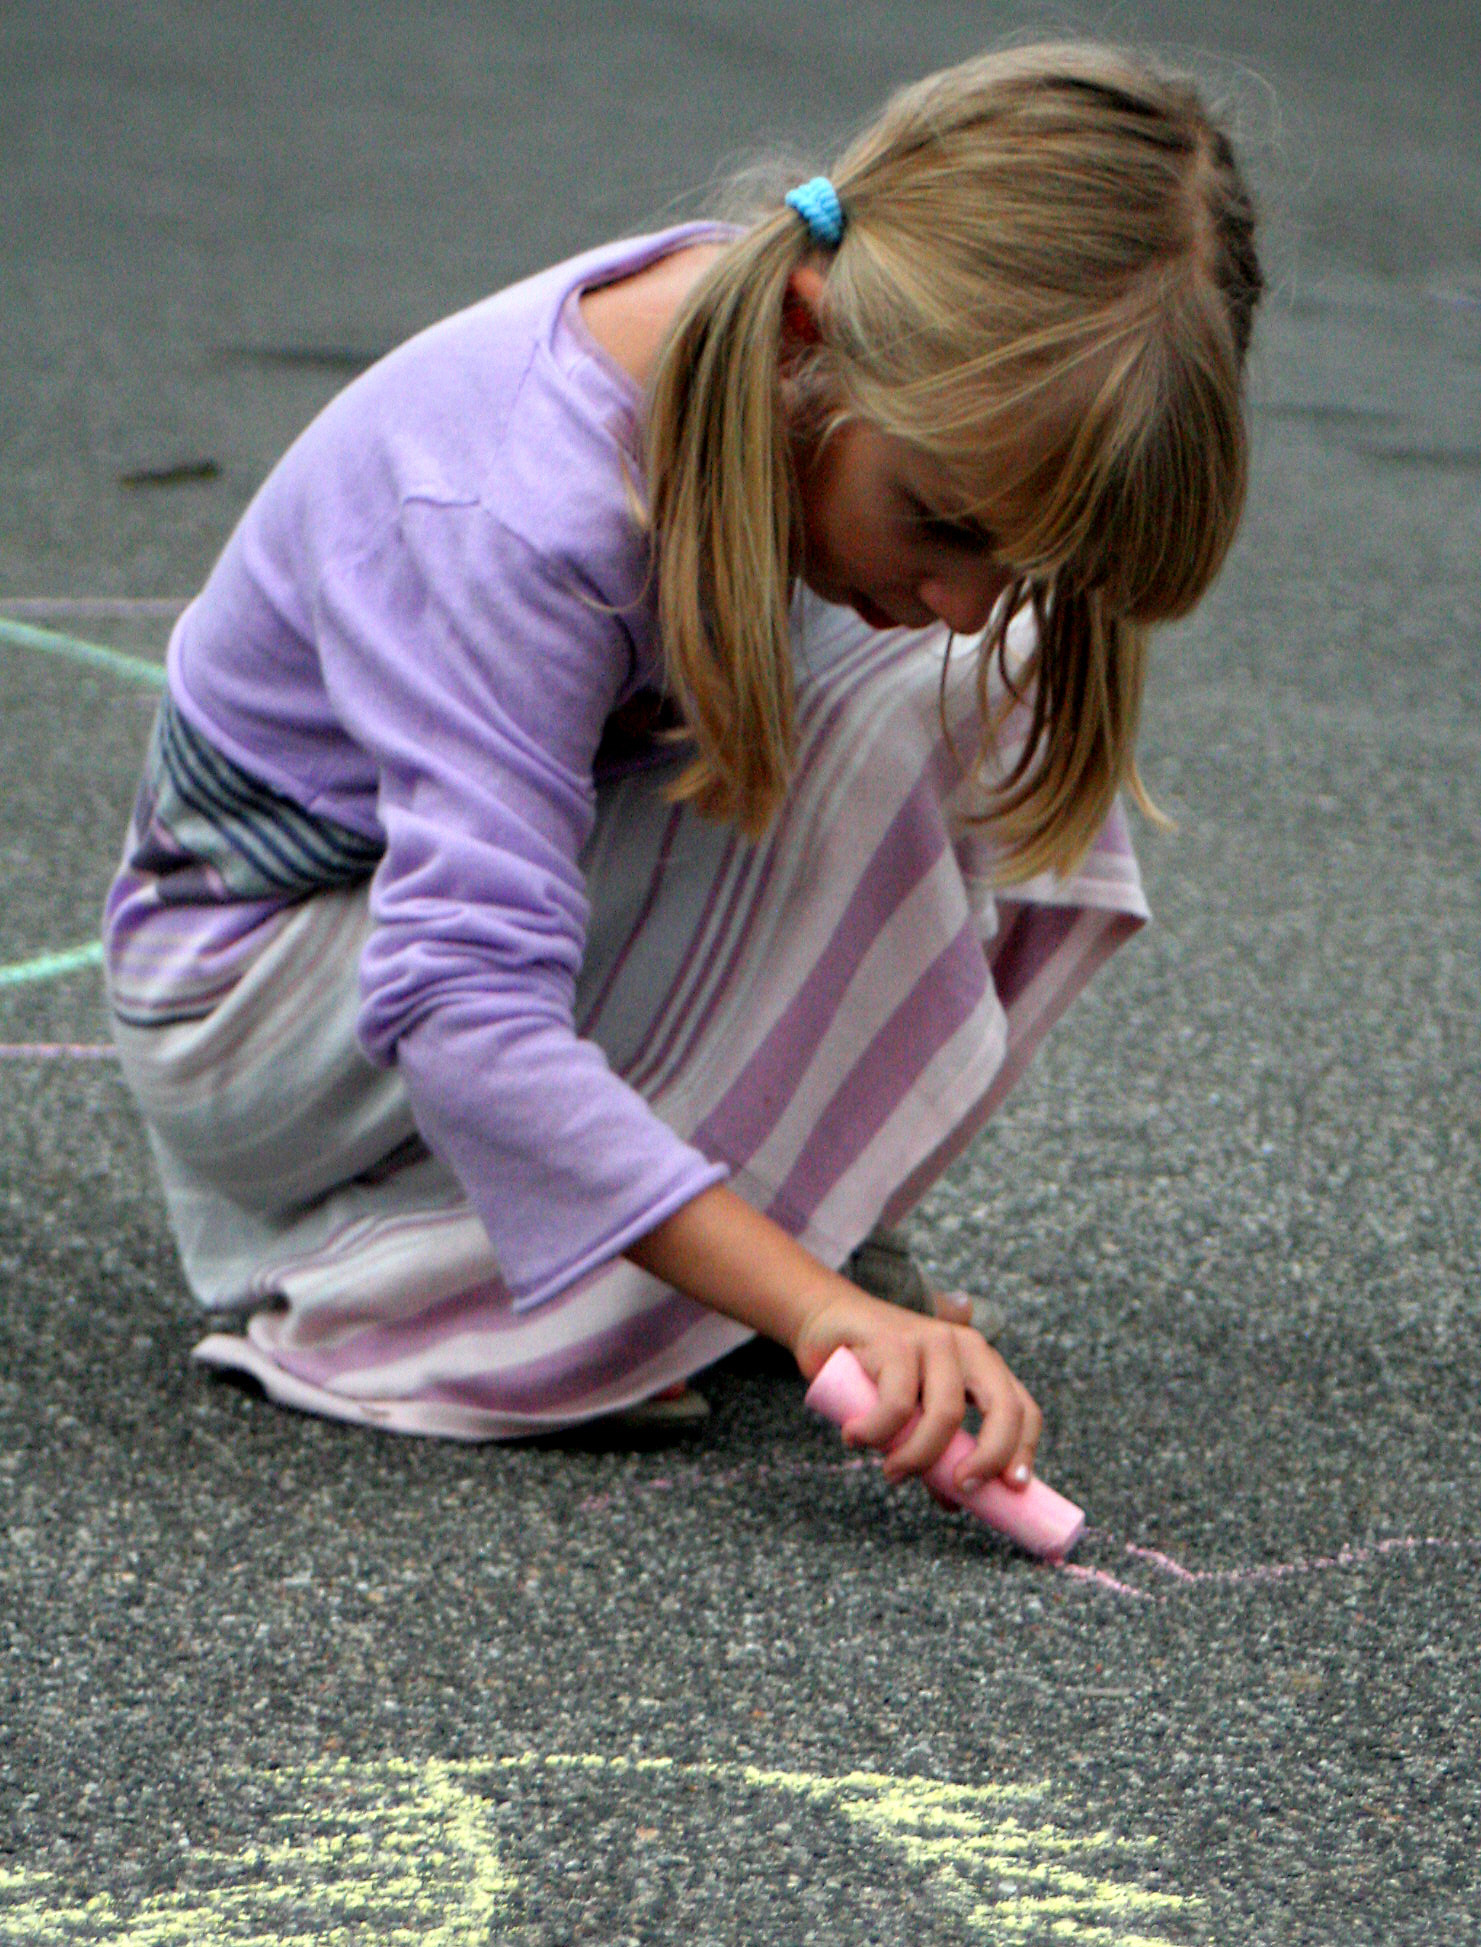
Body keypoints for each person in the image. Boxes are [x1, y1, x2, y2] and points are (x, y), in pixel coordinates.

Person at [103, 41, 1262, 1494]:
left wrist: (808, 1278)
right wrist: (813, 1308)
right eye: (943, 522)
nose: (970, 593)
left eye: (1020, 554)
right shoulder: (520, 513)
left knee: (979, 677)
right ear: (806, 329)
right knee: (888, 715)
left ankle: (751, 1233)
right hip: (250, 1001)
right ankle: (437, 1311)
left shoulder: (812, 348)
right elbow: (464, 1001)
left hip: (374, 956)